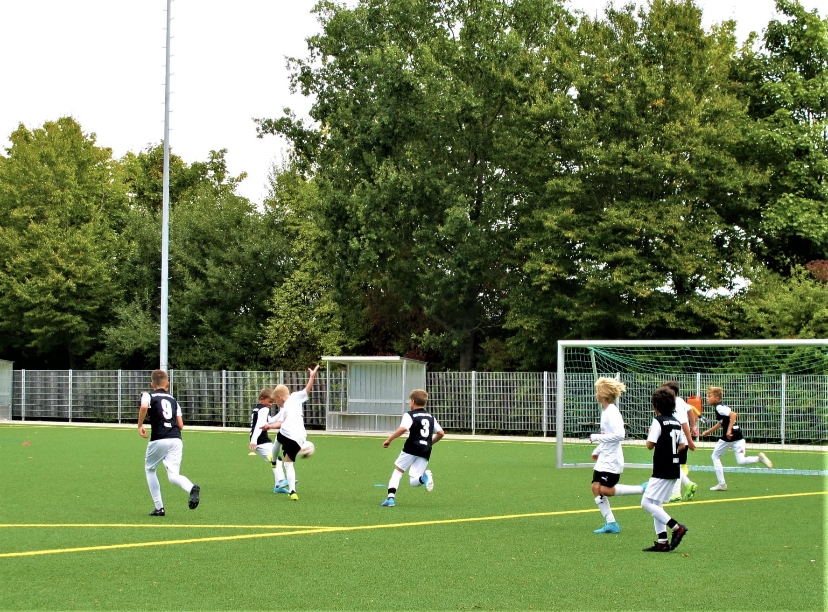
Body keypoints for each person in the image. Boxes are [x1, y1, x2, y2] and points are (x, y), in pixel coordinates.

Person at [138, 369, 200, 516]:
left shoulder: (148, 395)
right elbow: (181, 425)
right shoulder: (173, 400)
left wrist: (140, 425)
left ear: (152, 384)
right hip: (176, 439)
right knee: (173, 475)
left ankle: (159, 508)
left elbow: (144, 406)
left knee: (150, 469)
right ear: (168, 384)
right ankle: (191, 488)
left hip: (159, 438)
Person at [590, 377, 646, 534]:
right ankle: (611, 523)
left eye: (597, 391)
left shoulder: (612, 412)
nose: (595, 394)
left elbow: (620, 435)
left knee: (605, 490)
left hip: (612, 460)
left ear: (603, 394)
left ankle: (642, 489)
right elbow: (607, 435)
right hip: (604, 459)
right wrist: (598, 450)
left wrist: (596, 437)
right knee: (595, 487)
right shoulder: (605, 411)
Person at [640, 386, 689, 552]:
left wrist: (650, 433)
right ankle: (662, 541)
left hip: (662, 467)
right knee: (656, 503)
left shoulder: (658, 421)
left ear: (655, 405)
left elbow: (649, 445)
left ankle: (677, 527)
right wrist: (671, 450)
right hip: (674, 467)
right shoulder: (676, 422)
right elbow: (682, 445)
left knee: (646, 503)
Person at [261, 365, 319, 501]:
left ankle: (273, 460)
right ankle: (293, 492)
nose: (276, 403)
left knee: (278, 439)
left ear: (280, 397)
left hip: (287, 432)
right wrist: (312, 378)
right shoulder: (293, 402)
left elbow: (307, 390)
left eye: (276, 401)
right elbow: (306, 390)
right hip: (299, 438)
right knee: (288, 464)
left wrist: (270, 426)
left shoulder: (292, 398)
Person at [701, 386, 773, 491]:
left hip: (728, 437)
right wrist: (709, 431)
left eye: (709, 396)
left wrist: (729, 430)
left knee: (715, 456)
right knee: (741, 461)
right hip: (738, 436)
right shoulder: (721, 407)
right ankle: (758, 459)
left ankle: (722, 484)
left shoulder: (719, 407)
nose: (707, 398)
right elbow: (722, 423)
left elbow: (733, 415)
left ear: (716, 398)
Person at [380, 389, 444, 507]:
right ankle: (424, 478)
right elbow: (441, 433)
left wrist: (389, 439)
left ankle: (390, 498)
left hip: (411, 447)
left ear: (413, 401)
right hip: (425, 450)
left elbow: (404, 428)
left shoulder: (410, 415)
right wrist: (430, 443)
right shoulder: (431, 417)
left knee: (398, 471)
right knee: (414, 481)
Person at [662, 381, 698, 502]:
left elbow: (683, 423)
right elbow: (690, 409)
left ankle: (676, 493)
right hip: (677, 439)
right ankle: (688, 484)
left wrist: (690, 440)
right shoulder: (680, 401)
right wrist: (694, 426)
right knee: (673, 464)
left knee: (674, 464)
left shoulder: (676, 404)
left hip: (678, 440)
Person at [249, 388, 289, 493]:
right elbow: (259, 425)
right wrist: (254, 440)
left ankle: (278, 486)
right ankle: (280, 481)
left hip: (261, 440)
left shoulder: (258, 409)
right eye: (270, 401)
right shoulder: (264, 409)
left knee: (276, 459)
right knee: (275, 459)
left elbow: (270, 421)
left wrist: (282, 412)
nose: (271, 404)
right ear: (261, 399)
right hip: (261, 440)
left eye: (272, 402)